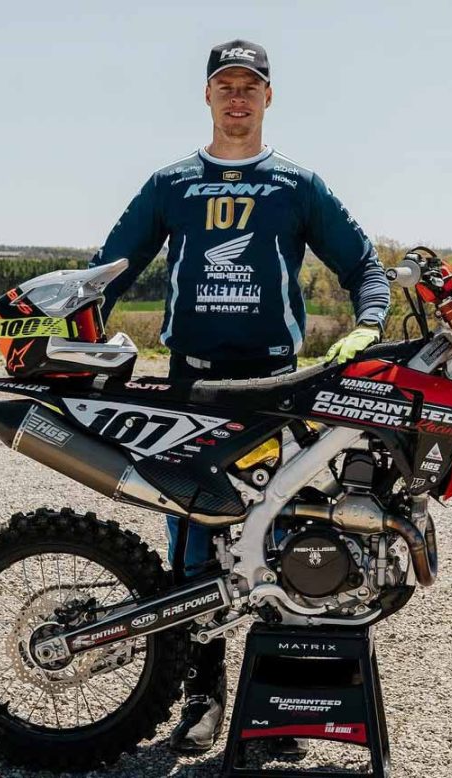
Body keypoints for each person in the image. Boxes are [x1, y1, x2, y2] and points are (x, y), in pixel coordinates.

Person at [89, 39, 390, 757]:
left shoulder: (297, 184)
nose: (236, 97)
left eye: (249, 86)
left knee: (284, 535)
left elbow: (364, 267)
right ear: (206, 95)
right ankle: (202, 695)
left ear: (268, 97)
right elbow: (109, 270)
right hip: (191, 383)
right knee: (195, 543)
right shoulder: (171, 184)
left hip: (278, 384)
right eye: (224, 84)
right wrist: (77, 340)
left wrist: (369, 324)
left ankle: (285, 702)